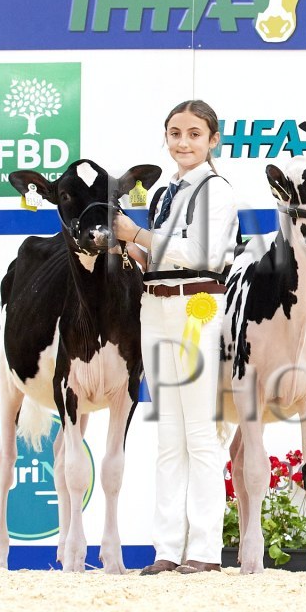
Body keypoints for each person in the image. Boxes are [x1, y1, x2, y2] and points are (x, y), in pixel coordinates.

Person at [114, 100, 236, 575]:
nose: (183, 143)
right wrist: (129, 247)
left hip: (196, 305)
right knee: (168, 432)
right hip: (155, 304)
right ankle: (166, 548)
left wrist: (140, 235)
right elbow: (160, 256)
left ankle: (204, 550)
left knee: (201, 432)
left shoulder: (216, 189)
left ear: (213, 140)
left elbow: (202, 253)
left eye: (194, 134)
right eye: (175, 133)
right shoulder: (164, 191)